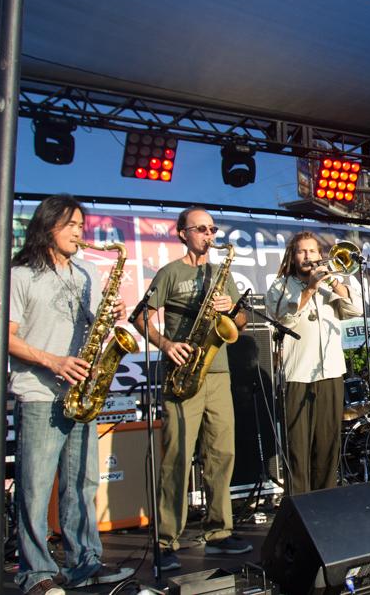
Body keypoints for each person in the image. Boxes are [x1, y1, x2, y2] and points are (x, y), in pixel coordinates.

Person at [8, 195, 135, 595]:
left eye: (82, 225)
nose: (80, 232)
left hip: (81, 393)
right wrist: (54, 361)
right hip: (39, 392)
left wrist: (112, 317)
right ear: (48, 226)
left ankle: (85, 563)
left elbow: (95, 329)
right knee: (35, 489)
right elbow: (5, 337)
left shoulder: (86, 273)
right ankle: (35, 574)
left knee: (82, 485)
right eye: (71, 225)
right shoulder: (20, 275)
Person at [132, 207, 251, 571]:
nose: (208, 235)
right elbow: (140, 317)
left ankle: (219, 532)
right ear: (183, 233)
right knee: (177, 458)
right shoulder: (170, 272)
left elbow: (241, 322)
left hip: (217, 372)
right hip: (182, 374)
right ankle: (166, 540)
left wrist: (231, 310)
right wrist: (167, 344)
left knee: (221, 453)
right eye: (201, 229)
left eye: (212, 229)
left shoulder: (219, 273)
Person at [265, 232, 362, 493]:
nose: (307, 256)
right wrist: (309, 289)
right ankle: (299, 505)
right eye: (301, 251)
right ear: (293, 256)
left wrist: (334, 282)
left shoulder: (330, 284)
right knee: (297, 450)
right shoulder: (280, 287)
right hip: (298, 375)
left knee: (328, 446)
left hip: (330, 372)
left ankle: (325, 503)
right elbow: (284, 319)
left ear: (320, 255)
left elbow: (356, 310)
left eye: (312, 251)